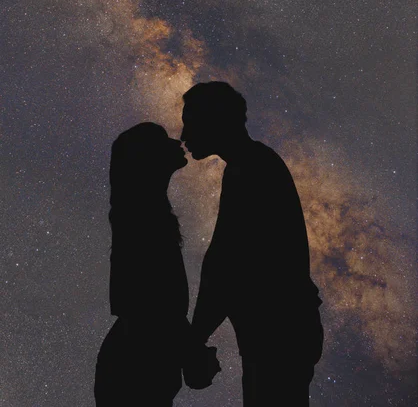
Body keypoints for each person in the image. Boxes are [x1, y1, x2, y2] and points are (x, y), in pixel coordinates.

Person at [181, 82, 324, 407]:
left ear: (213, 120)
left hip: (279, 336)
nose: (183, 135)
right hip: (284, 331)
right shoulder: (253, 164)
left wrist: (196, 337)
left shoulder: (249, 169)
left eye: (190, 122)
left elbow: (224, 263)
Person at [94, 122, 220, 406]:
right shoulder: (142, 218)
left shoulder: (144, 213)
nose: (178, 142)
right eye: (164, 140)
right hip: (134, 370)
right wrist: (192, 353)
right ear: (146, 157)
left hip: (131, 365)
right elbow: (148, 307)